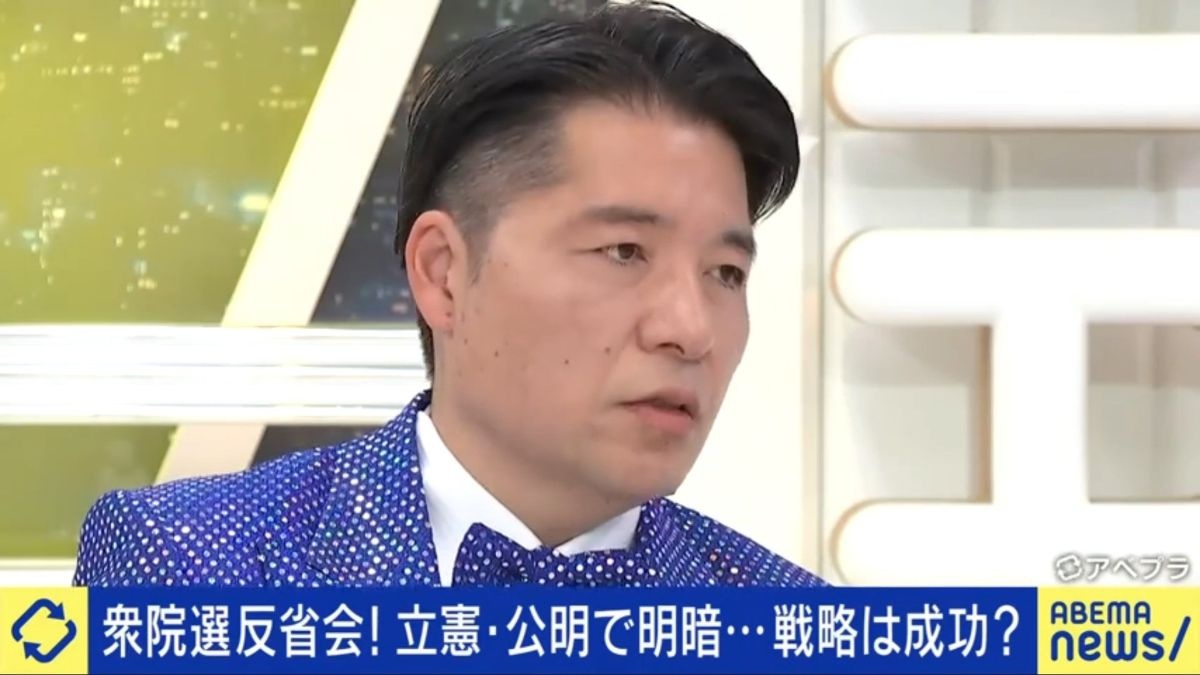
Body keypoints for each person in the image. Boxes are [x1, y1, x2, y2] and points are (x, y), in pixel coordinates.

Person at [72, 0, 825, 588]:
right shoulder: (189, 561)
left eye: (725, 272)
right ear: (442, 273)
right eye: (624, 251)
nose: (690, 328)